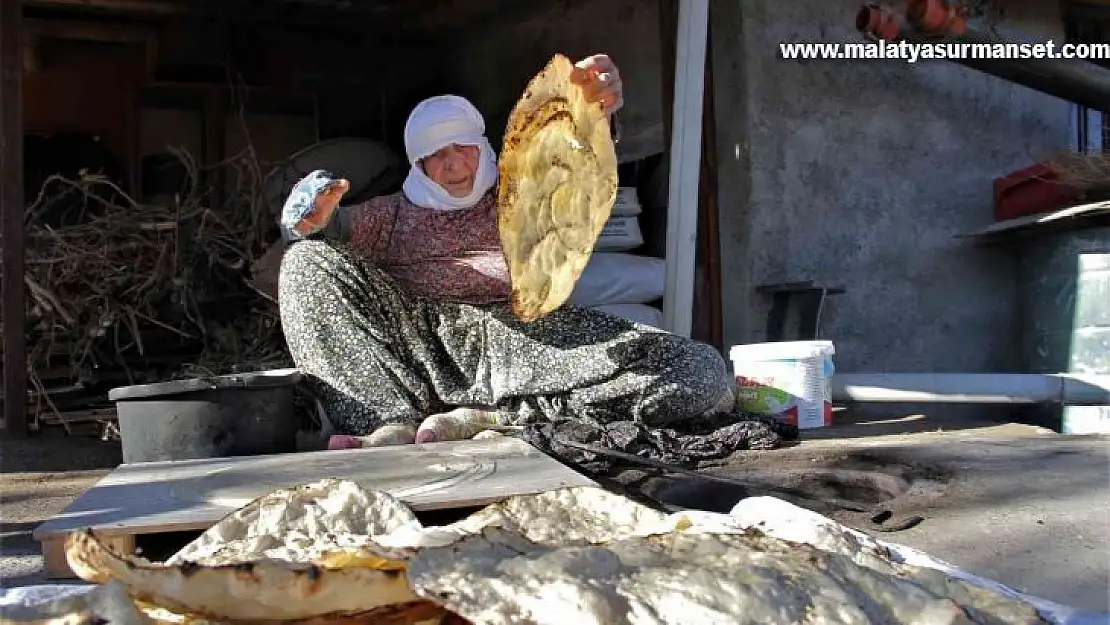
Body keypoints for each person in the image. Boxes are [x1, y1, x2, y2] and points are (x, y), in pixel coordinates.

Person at [278, 54, 735, 446]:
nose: (454, 165)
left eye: (463, 147)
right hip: (423, 349)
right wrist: (312, 218)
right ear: (417, 164)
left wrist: (596, 109)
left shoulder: (523, 194)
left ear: (483, 144)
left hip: (524, 344)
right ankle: (386, 422)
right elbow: (328, 235)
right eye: (435, 155)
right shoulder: (392, 215)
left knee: (699, 371)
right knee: (303, 260)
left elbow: (576, 161)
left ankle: (507, 418)